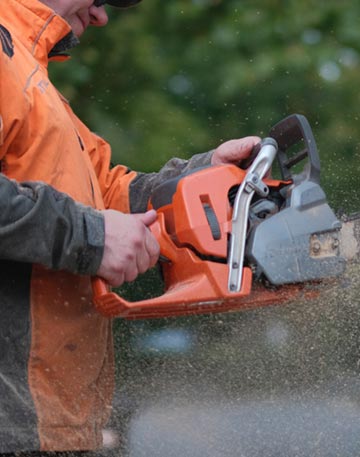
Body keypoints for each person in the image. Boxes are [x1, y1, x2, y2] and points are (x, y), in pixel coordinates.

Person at [0, 0, 260, 453]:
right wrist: (92, 237)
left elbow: (105, 192)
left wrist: (199, 181)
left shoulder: (29, 73)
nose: (101, 16)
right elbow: (92, 221)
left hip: (47, 424)